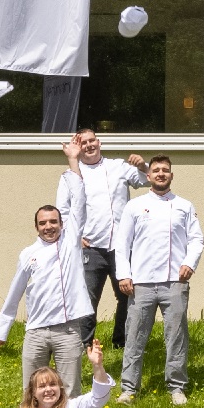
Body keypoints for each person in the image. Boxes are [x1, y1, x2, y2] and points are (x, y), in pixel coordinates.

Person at [113, 156, 202, 405]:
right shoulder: (135, 206)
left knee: (176, 335)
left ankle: (176, 387)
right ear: (148, 176)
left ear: (171, 176)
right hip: (140, 282)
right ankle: (129, 388)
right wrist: (124, 275)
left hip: (175, 280)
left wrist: (189, 263)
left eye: (165, 170)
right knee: (134, 335)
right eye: (156, 170)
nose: (161, 174)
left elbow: (196, 239)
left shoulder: (184, 206)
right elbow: (122, 244)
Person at [0, 204, 93, 392]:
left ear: (62, 224)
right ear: (36, 227)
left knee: (70, 391)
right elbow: (15, 291)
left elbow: (79, 203)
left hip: (68, 331)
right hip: (36, 331)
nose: (48, 227)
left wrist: (73, 174)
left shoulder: (71, 244)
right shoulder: (28, 254)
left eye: (53, 221)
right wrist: (1, 329)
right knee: (32, 390)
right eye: (42, 223)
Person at [64, 131, 145, 348]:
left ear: (99, 143)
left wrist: (142, 165)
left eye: (92, 141)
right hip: (91, 248)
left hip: (121, 247)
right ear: (78, 148)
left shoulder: (118, 166)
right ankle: (85, 345)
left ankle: (123, 342)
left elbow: (145, 180)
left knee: (127, 296)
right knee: (88, 300)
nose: (89, 145)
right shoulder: (72, 174)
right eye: (83, 143)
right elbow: (63, 210)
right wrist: (75, 236)